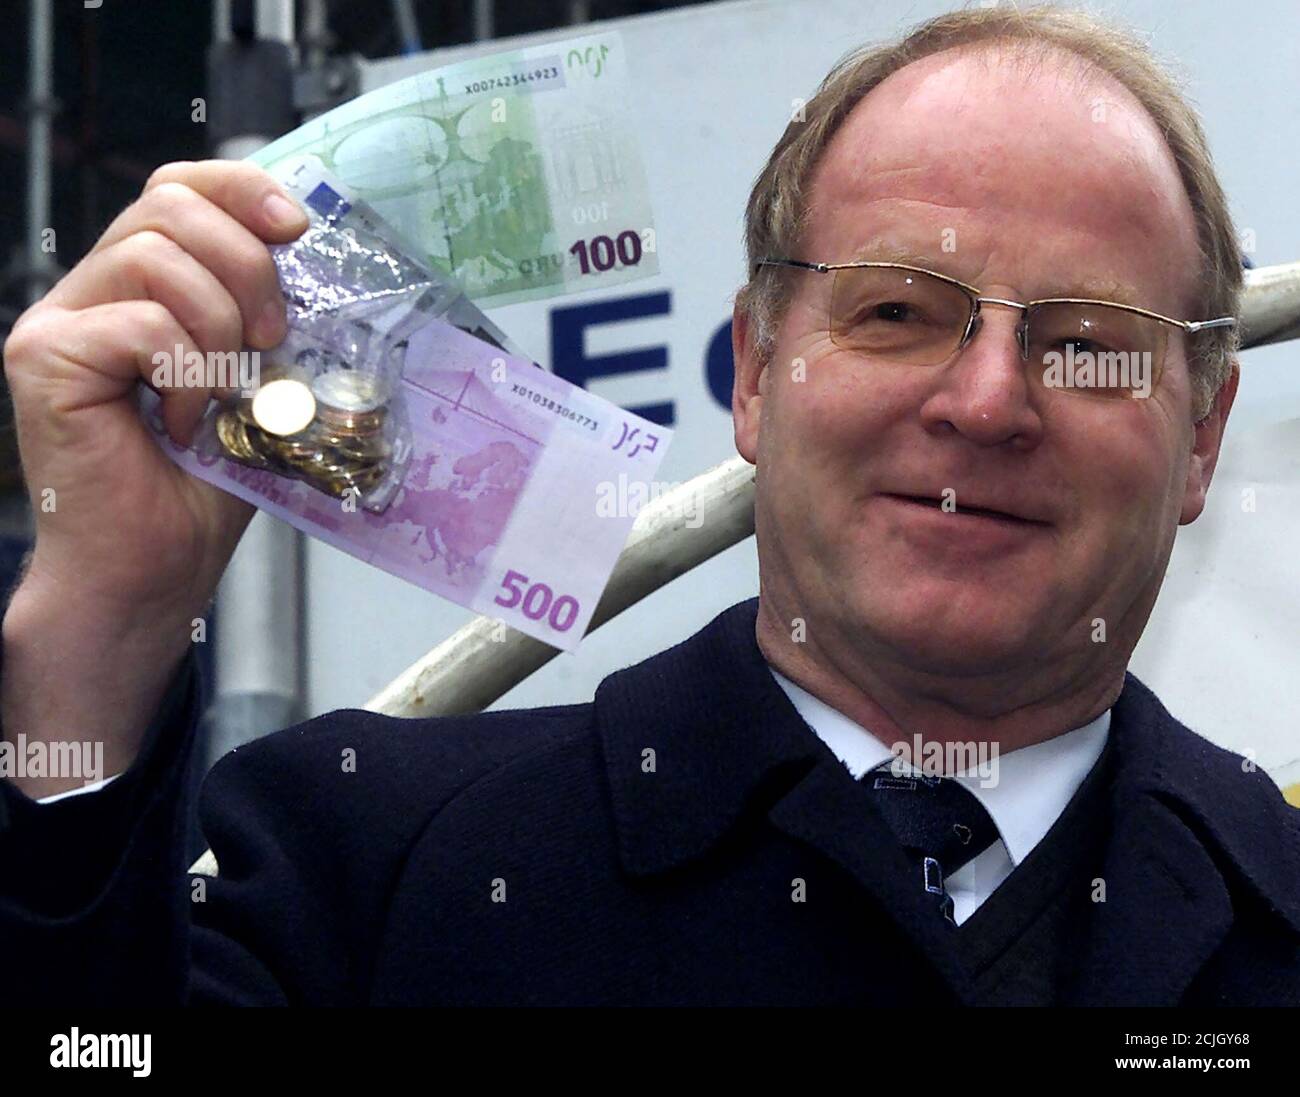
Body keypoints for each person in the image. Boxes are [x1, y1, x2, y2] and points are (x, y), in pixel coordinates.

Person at [2, 5, 1296, 1006]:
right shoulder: (360, 868)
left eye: (1085, 340)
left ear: (1201, 436)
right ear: (752, 376)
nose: (989, 399)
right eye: (896, 312)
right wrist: (97, 629)